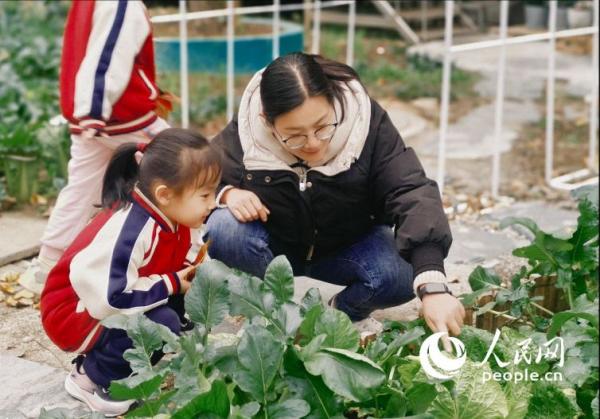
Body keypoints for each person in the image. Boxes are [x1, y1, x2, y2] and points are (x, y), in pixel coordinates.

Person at [205, 52, 465, 341]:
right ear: (267, 121)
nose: (314, 144)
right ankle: (277, 315)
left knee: (402, 274)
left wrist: (433, 286)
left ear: (333, 101)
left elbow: (409, 189)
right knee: (224, 228)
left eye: (322, 126)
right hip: (275, 243)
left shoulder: (365, 124)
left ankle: (336, 316)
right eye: (295, 135)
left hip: (347, 245)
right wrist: (227, 194)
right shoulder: (248, 132)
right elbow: (200, 176)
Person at [40, 129, 221, 416]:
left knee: (175, 302)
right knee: (162, 323)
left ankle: (126, 364)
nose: (213, 203)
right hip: (74, 309)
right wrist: (172, 283)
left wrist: (192, 274)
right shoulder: (131, 229)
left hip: (113, 293)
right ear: (164, 194)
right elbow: (112, 297)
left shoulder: (175, 215)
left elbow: (186, 254)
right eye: (205, 194)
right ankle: (92, 378)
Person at [20, 0, 173, 294]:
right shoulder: (122, 4)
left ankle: (48, 264)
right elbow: (108, 56)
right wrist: (93, 110)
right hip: (120, 115)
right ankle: (190, 251)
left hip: (92, 114)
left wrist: (86, 112)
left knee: (80, 188)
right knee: (184, 164)